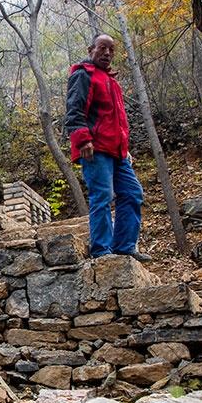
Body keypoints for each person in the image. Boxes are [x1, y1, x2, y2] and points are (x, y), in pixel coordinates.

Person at [65, 33, 150, 262]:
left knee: (133, 193)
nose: (107, 53)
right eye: (102, 48)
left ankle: (124, 247)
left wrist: (125, 148)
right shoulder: (84, 74)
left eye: (111, 50)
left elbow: (117, 121)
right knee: (102, 196)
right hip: (94, 149)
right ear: (91, 48)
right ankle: (102, 251)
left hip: (118, 151)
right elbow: (74, 111)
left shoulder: (111, 80)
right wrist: (83, 140)